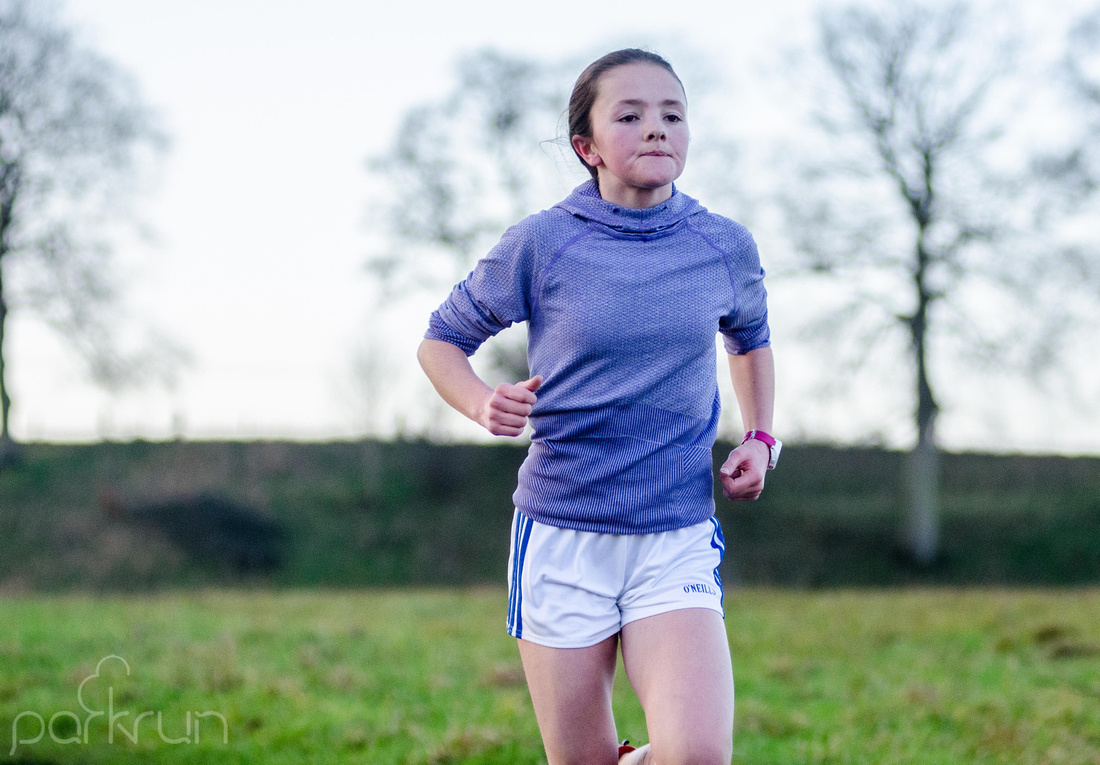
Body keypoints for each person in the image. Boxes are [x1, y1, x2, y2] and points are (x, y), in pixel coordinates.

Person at [417, 48, 778, 765]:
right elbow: (440, 342)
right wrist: (481, 401)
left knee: (699, 754)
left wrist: (762, 436)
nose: (657, 128)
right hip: (560, 536)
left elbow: (751, 339)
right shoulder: (543, 243)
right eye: (631, 114)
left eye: (673, 114)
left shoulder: (721, 246)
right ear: (586, 147)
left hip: (672, 530)